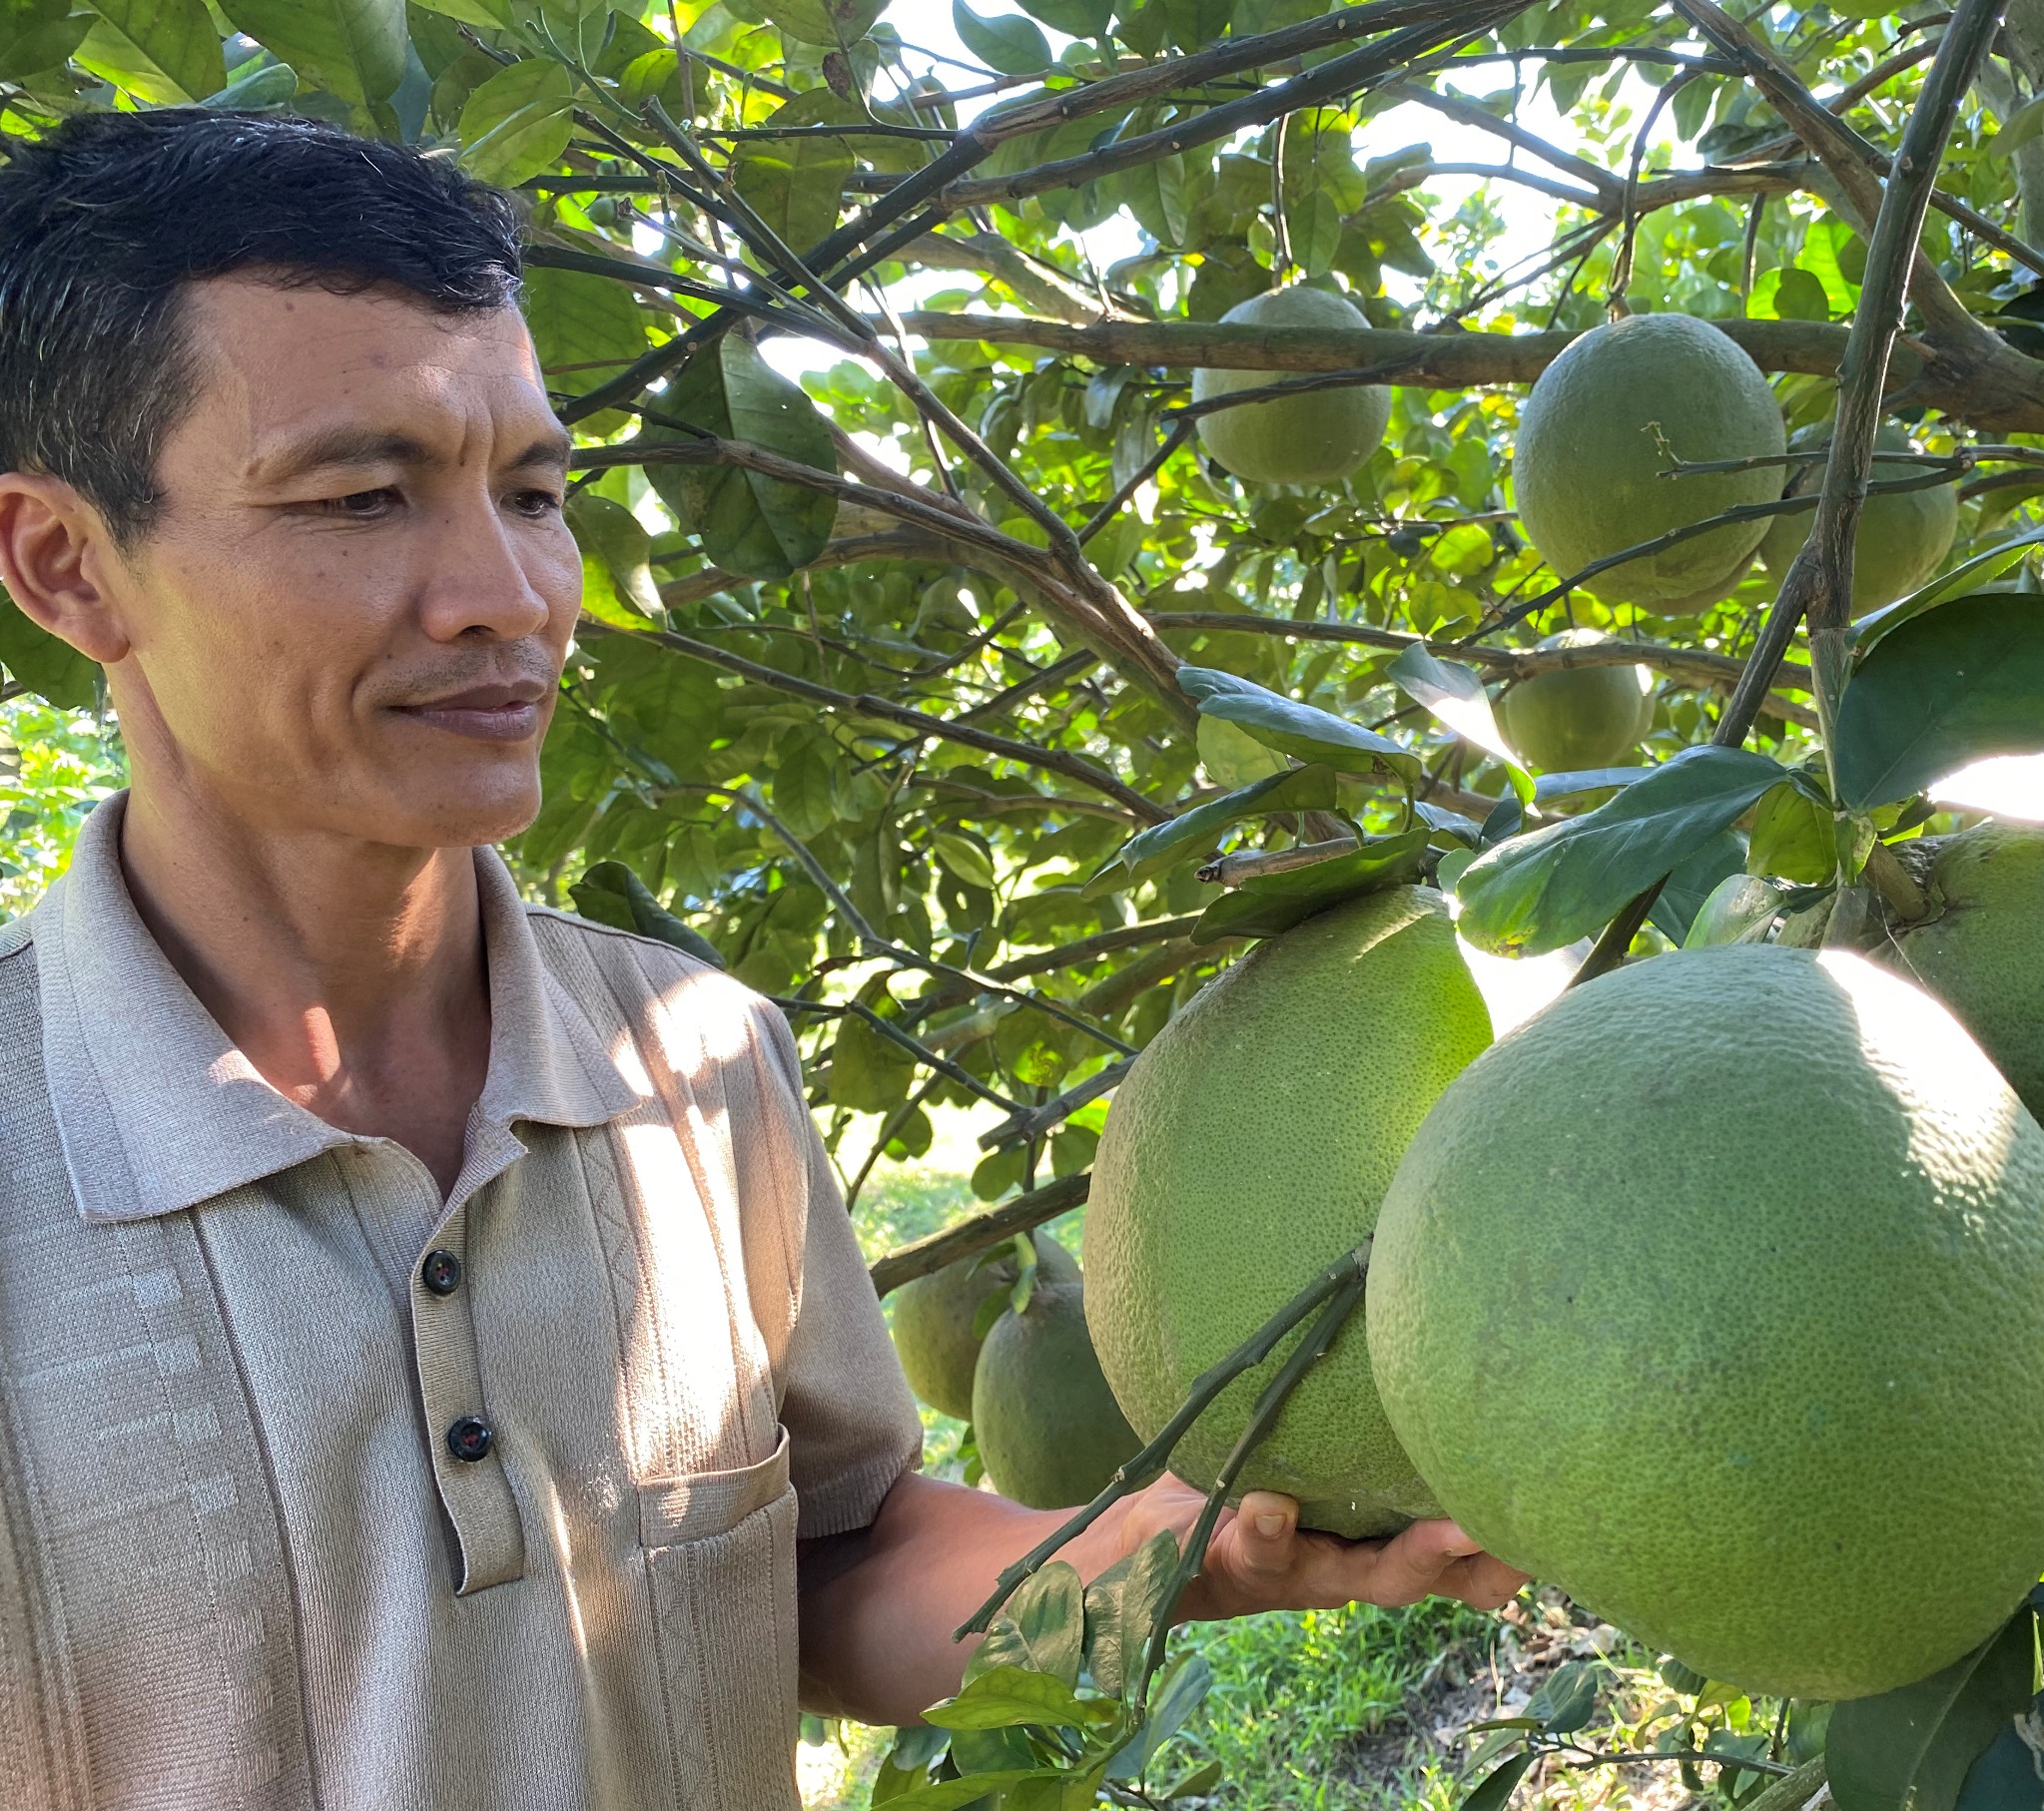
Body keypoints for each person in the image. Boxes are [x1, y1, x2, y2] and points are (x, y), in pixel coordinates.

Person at [0, 109, 1523, 1809]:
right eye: (364, 496)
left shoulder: (693, 1057)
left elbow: (818, 1575)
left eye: (533, 491)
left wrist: (1164, 1561)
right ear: (68, 565)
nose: (506, 594)